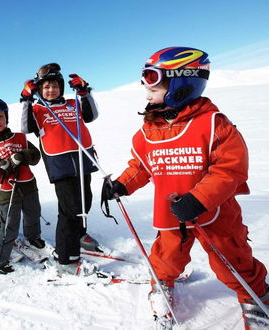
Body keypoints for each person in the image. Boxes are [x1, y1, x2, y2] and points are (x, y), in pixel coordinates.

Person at [101, 47, 268, 329]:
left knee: (233, 257)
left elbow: (230, 168)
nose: (146, 90)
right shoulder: (148, 132)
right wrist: (122, 185)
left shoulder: (215, 125)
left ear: (182, 81)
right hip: (171, 214)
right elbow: (141, 166)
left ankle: (255, 297)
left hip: (216, 212)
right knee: (166, 258)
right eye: (145, 80)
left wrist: (200, 197)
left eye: (153, 81)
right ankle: (162, 287)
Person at [19, 63, 100, 274]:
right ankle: (65, 258)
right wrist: (26, 100)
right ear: (40, 90)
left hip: (83, 158)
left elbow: (91, 116)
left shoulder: (73, 103)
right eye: (45, 87)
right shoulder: (38, 109)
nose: (50, 90)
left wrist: (84, 92)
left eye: (54, 86)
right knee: (69, 209)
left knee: (84, 201)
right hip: (60, 164)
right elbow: (26, 128)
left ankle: (79, 235)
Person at [0, 98, 45, 274]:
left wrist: (23, 155)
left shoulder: (20, 137)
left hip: (28, 185)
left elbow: (35, 156)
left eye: (1, 116)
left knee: (33, 214)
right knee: (9, 227)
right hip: (6, 191)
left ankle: (32, 238)